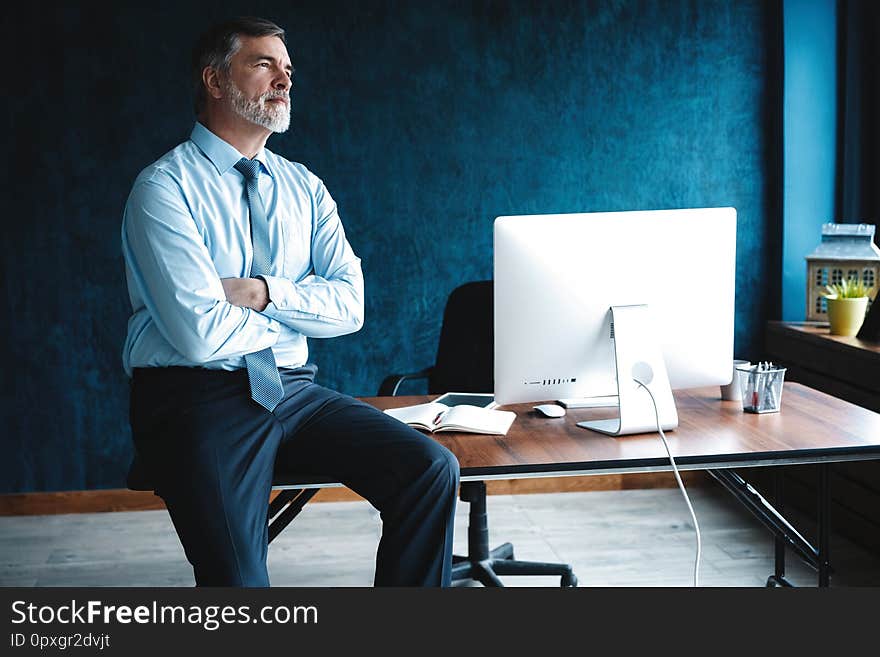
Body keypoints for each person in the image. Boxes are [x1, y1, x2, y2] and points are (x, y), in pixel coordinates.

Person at [121, 16, 460, 587]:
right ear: (214, 79)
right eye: (263, 64)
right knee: (240, 584)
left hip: (290, 390)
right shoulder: (163, 188)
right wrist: (298, 314)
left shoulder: (304, 186)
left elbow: (351, 307)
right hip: (195, 399)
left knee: (429, 468)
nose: (285, 79)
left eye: (288, 68)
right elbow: (199, 335)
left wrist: (263, 292)